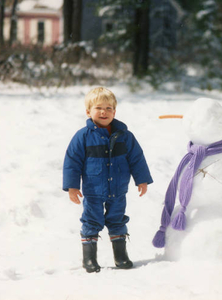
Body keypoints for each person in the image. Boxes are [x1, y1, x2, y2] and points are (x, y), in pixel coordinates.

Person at [63, 87, 153, 273]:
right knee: (91, 221)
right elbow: (72, 162)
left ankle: (120, 256)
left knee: (117, 220)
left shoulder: (125, 136)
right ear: (88, 112)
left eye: (109, 108)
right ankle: (89, 259)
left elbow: (137, 158)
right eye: (98, 108)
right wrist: (72, 186)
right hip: (93, 191)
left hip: (118, 189)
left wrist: (141, 180)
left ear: (114, 111)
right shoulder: (83, 137)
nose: (104, 112)